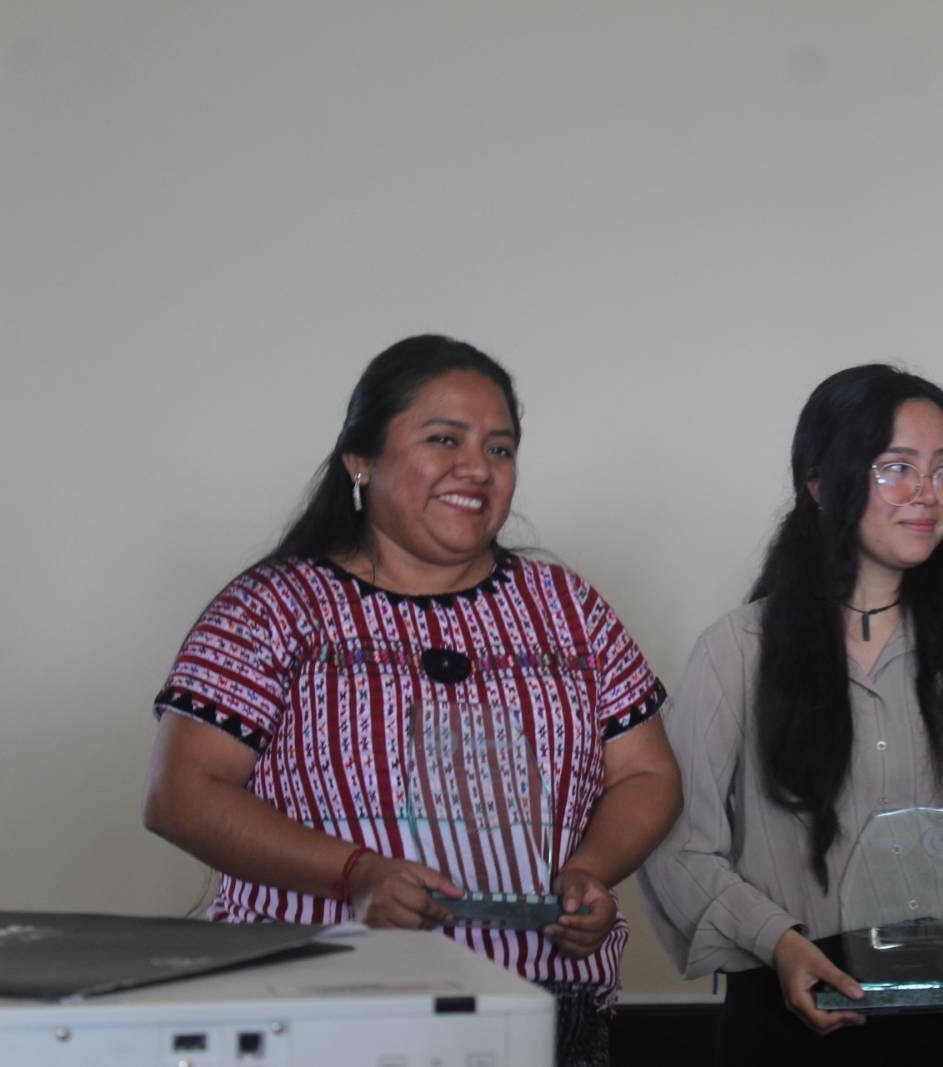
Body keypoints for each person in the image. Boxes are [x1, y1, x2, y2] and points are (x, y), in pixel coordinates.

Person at [141, 335, 681, 1067]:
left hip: (537, 1004)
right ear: (360, 459)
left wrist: (590, 869)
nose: (476, 469)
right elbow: (181, 793)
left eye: (499, 448)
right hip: (316, 999)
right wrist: (353, 873)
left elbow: (647, 774)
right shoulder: (273, 608)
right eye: (443, 439)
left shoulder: (567, 608)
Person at [639, 364, 943, 1066]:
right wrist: (777, 940)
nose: (927, 495)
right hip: (791, 1012)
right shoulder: (738, 650)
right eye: (894, 468)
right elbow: (681, 843)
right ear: (819, 484)